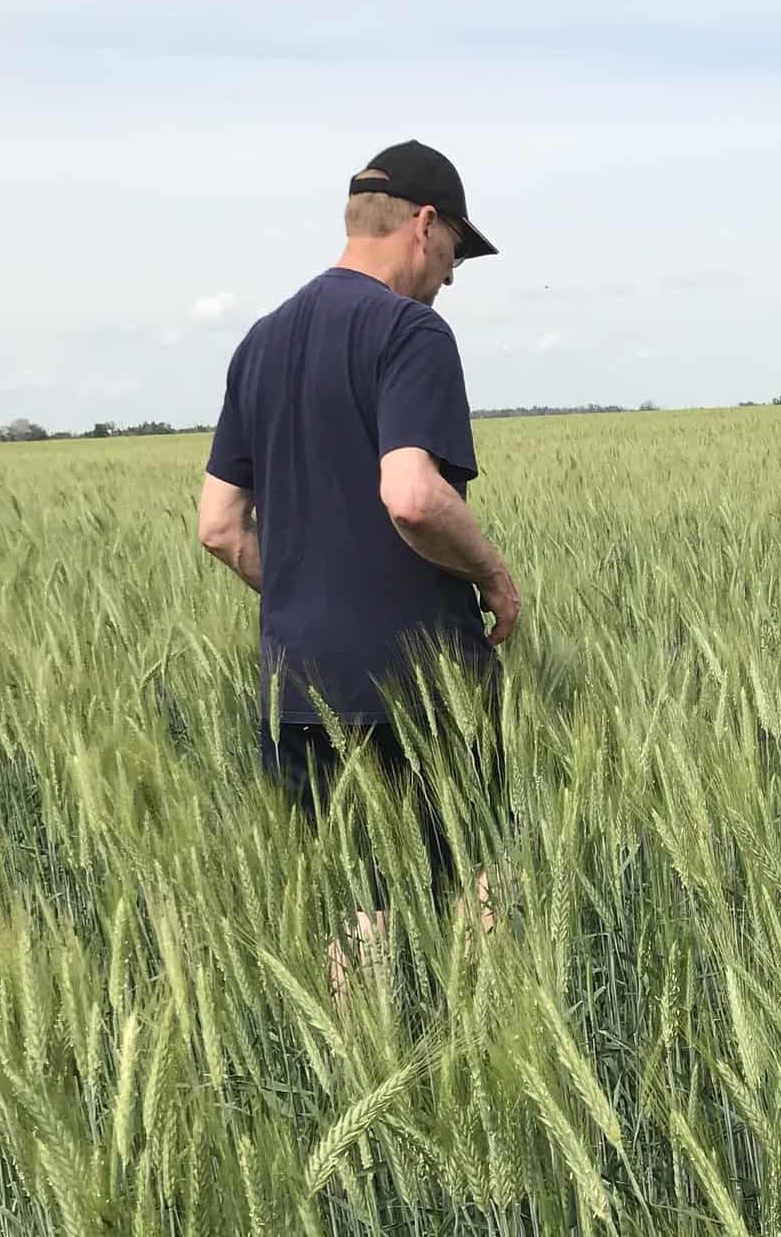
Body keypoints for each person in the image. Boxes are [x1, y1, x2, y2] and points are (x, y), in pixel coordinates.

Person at [195, 139, 522, 996]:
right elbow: (411, 494)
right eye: (455, 252)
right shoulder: (411, 332)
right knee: (473, 900)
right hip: (418, 683)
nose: (451, 276)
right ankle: (477, 1069)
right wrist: (493, 574)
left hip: (297, 692)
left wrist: (312, 588)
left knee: (356, 920)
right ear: (423, 225)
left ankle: (369, 1090)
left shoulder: (259, 344)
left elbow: (219, 526)